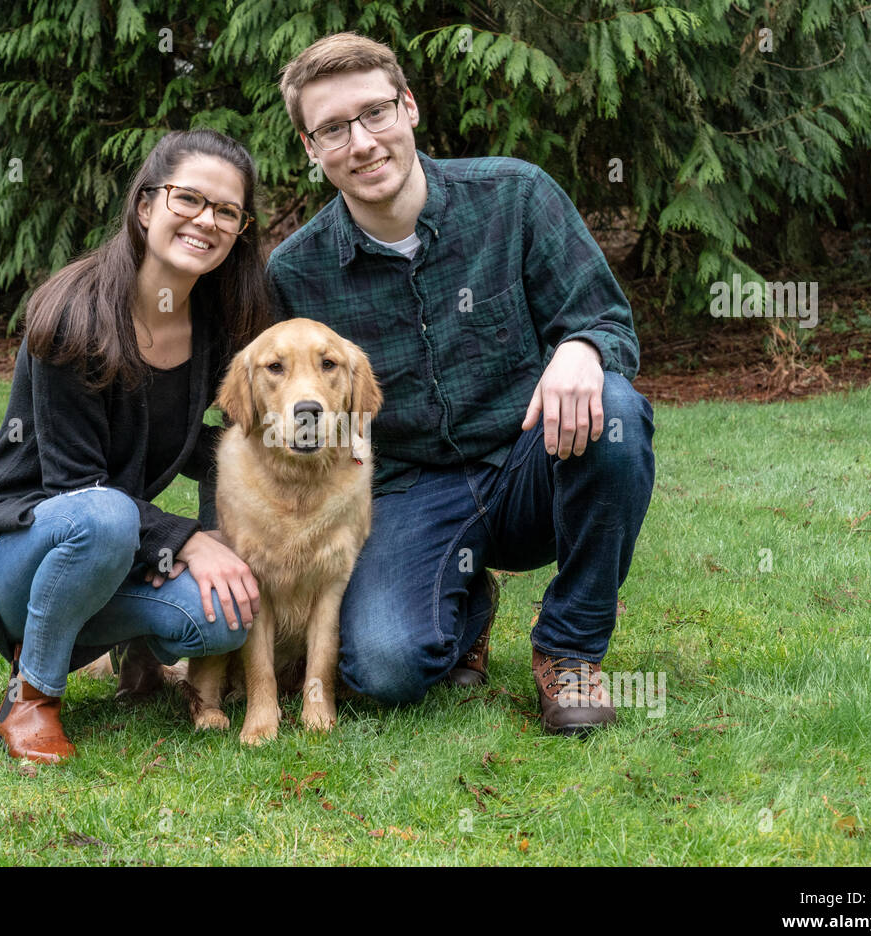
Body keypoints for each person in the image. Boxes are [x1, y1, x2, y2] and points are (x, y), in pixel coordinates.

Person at [267, 33, 656, 735]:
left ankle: (570, 647)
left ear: (408, 107)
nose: (361, 143)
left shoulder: (515, 195)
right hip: (410, 490)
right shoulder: (297, 274)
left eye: (375, 113)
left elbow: (608, 321)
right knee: (384, 669)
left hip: (532, 460)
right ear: (310, 147)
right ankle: (465, 602)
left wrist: (583, 348)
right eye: (332, 128)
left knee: (619, 411)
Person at [0, 129, 270, 763]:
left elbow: (217, 443)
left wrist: (234, 524)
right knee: (106, 514)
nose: (208, 221)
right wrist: (188, 539)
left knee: (227, 615)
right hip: (13, 550)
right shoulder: (76, 311)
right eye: (190, 200)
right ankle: (32, 695)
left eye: (228, 211)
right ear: (146, 206)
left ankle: (135, 650)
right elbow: (74, 485)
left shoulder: (218, 321)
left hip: (109, 546)